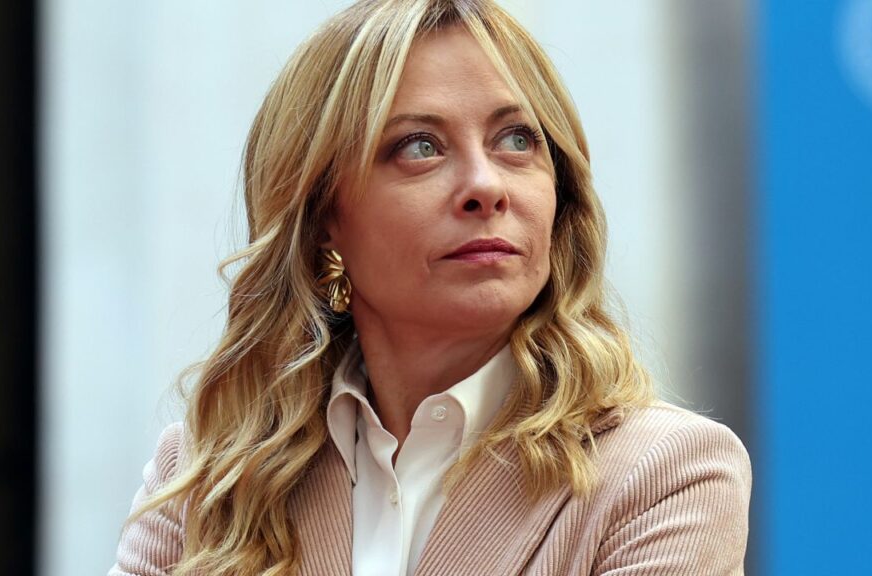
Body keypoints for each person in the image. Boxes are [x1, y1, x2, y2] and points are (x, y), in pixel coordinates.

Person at [109, 0, 752, 574]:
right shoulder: (207, 478)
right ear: (324, 216)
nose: (486, 186)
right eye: (419, 147)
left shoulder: (666, 472)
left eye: (516, 141)